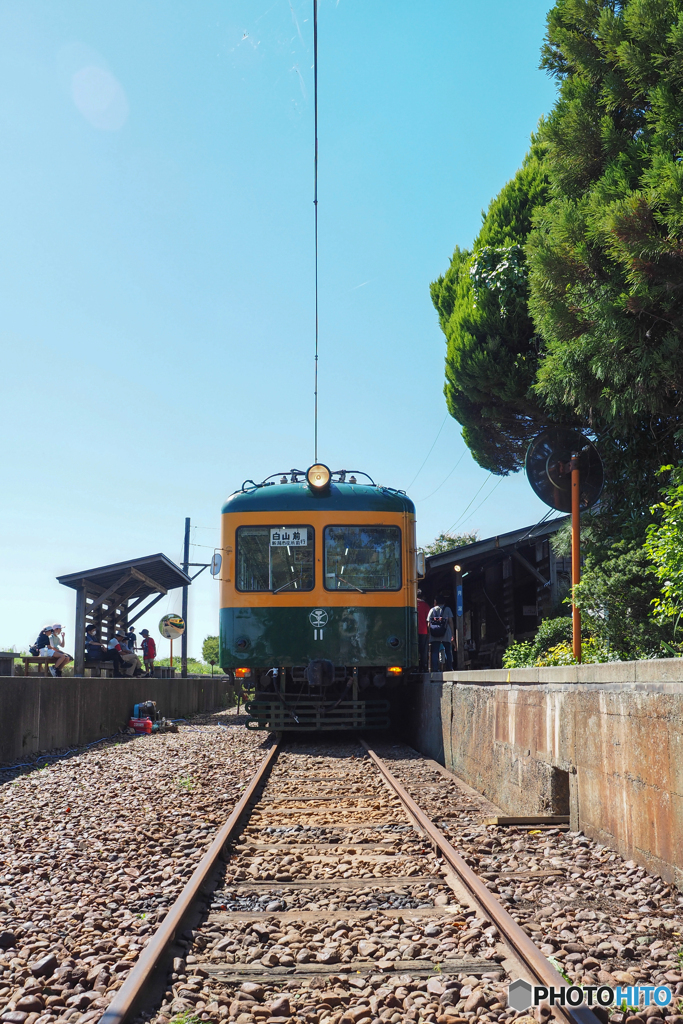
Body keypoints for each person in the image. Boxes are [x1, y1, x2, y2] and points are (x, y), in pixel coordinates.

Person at [427, 598, 455, 672]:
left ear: (435, 602)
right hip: (446, 633)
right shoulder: (448, 609)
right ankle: (449, 667)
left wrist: (430, 633)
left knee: (435, 652)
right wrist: (452, 633)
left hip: (434, 634)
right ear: (444, 602)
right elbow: (450, 622)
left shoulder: (431, 610)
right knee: (448, 651)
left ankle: (435, 668)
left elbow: (429, 624)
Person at [417, 589, 430, 671]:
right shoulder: (426, 606)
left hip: (412, 631)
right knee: (423, 650)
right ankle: (423, 666)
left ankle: (415, 666)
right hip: (423, 631)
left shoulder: (411, 604)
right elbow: (428, 620)